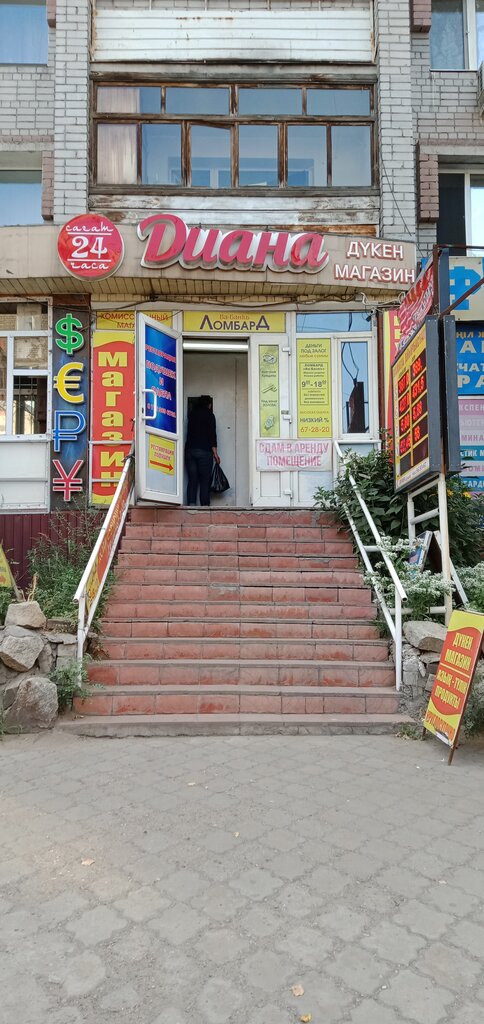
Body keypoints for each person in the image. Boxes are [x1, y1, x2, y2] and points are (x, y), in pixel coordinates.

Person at [185, 395, 220, 506]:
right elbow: (212, 435)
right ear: (209, 405)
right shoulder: (210, 415)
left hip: (190, 450)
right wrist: (215, 453)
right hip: (204, 451)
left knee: (192, 479)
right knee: (205, 481)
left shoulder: (192, 414)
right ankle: (204, 507)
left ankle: (191, 505)